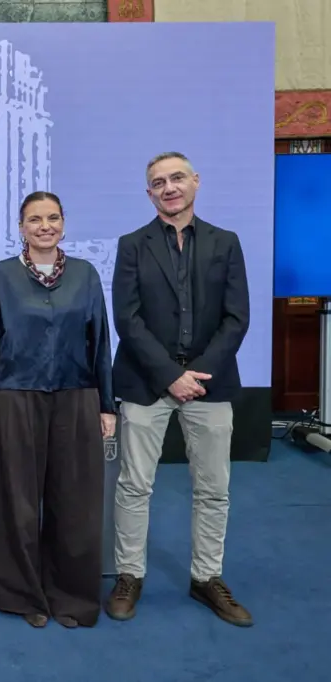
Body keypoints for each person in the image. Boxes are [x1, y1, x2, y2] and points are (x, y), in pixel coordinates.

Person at [107, 152, 252, 627]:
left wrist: (197, 374)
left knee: (214, 489)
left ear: (195, 182)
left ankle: (206, 577)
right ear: (148, 193)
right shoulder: (132, 245)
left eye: (176, 179)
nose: (168, 188)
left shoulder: (225, 243)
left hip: (210, 384)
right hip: (146, 382)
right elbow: (127, 319)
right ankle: (130, 574)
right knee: (134, 486)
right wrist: (170, 374)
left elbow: (237, 318)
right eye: (157, 182)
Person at [0, 191, 115, 629]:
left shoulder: (86, 276)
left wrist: (106, 406)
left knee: (74, 505)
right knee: (17, 504)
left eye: (53, 218)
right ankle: (23, 597)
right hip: (15, 397)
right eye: (35, 220)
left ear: (64, 224)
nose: (45, 226)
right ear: (21, 228)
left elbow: (101, 343)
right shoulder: (2, 276)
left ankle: (70, 597)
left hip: (76, 397)